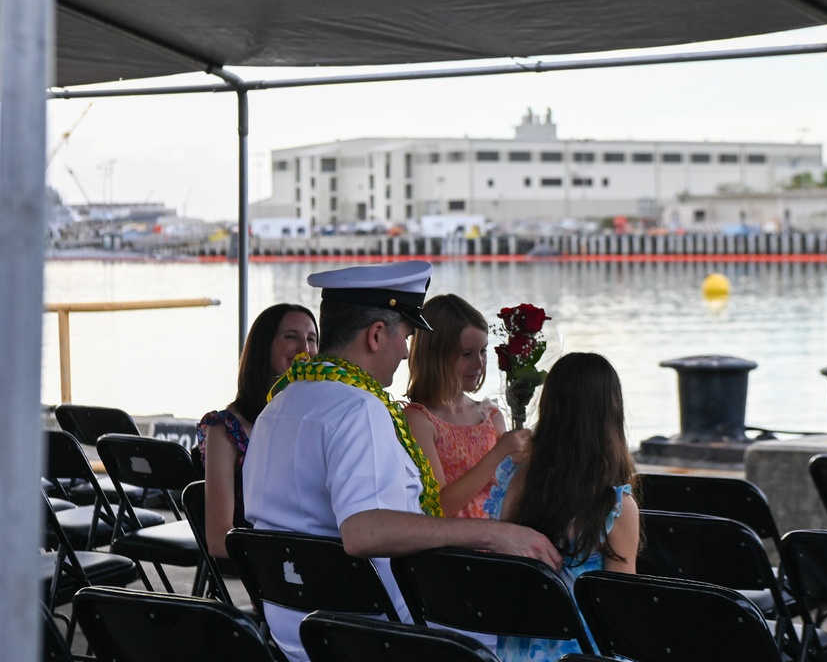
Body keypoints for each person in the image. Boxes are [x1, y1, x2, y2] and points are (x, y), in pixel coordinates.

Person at [242, 260, 561, 662]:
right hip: (376, 632)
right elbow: (364, 532)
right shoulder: (359, 408)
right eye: (407, 335)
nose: (407, 351)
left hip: (296, 632)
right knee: (545, 634)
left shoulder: (279, 404)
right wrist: (492, 534)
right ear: (376, 335)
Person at [483, 351, 640, 662]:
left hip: (517, 652)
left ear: (549, 407)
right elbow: (622, 613)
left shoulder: (512, 479)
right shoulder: (614, 506)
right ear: (611, 413)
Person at [195, 303, 318, 558]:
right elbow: (219, 540)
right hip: (269, 566)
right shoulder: (225, 429)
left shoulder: (320, 421)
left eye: (312, 339)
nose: (305, 349)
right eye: (291, 337)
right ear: (265, 346)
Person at [404, 294, 530, 518]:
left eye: (483, 351)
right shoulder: (418, 420)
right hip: (458, 548)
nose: (479, 363)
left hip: (501, 538)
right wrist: (497, 455)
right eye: (466, 354)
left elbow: (512, 490)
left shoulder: (490, 416)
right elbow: (440, 507)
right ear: (435, 356)